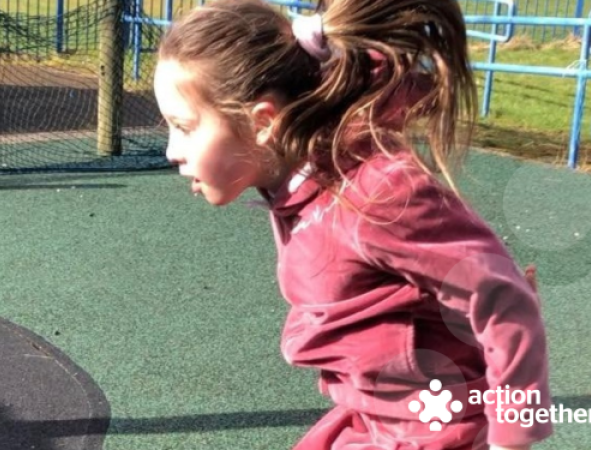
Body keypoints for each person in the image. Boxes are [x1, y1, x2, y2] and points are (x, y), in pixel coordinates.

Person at [153, 0, 553, 449]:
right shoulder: (295, 187)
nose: (172, 151)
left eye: (183, 127)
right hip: (374, 422)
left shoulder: (378, 194)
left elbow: (506, 300)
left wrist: (512, 436)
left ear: (262, 121)